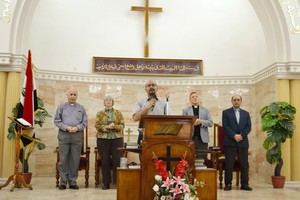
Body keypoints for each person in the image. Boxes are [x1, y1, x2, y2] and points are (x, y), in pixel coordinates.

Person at [54, 88, 88, 190]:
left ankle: (73, 182)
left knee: (75, 160)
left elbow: (85, 122)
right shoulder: (61, 107)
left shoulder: (81, 108)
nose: (72, 96)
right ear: (67, 95)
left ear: (77, 96)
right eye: (71, 94)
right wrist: (66, 127)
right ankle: (63, 182)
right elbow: (57, 120)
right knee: (63, 159)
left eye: (74, 94)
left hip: (76, 137)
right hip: (64, 136)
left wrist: (77, 128)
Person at [222, 94, 252, 191]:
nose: (236, 101)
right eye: (234, 100)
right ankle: (228, 184)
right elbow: (225, 126)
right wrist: (234, 136)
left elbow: (248, 127)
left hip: (243, 142)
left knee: (243, 164)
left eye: (238, 100)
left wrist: (241, 136)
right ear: (232, 101)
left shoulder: (246, 114)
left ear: (241, 101)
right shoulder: (226, 112)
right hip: (230, 141)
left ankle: (244, 184)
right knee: (229, 164)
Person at [95, 95, 125, 190]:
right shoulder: (100, 113)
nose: (108, 101)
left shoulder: (118, 113)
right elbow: (97, 126)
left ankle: (117, 183)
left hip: (117, 140)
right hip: (103, 140)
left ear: (113, 102)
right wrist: (107, 127)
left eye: (110, 100)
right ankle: (106, 183)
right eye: (106, 100)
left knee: (117, 161)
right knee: (105, 161)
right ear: (104, 102)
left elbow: (122, 125)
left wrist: (114, 127)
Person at [132, 80, 171, 145]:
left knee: (158, 155)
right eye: (149, 85)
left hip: (159, 135)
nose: (151, 87)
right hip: (143, 135)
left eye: (153, 85)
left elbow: (169, 119)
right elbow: (135, 118)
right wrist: (148, 107)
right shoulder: (140, 102)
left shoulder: (164, 103)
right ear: (145, 89)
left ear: (157, 88)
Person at [182, 92, 213, 159]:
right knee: (190, 159)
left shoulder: (205, 110)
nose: (195, 98)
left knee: (202, 160)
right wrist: (193, 124)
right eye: (193, 97)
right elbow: (184, 124)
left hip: (202, 139)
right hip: (190, 139)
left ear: (199, 98)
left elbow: (210, 123)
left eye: (196, 96)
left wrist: (201, 122)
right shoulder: (186, 111)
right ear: (190, 100)